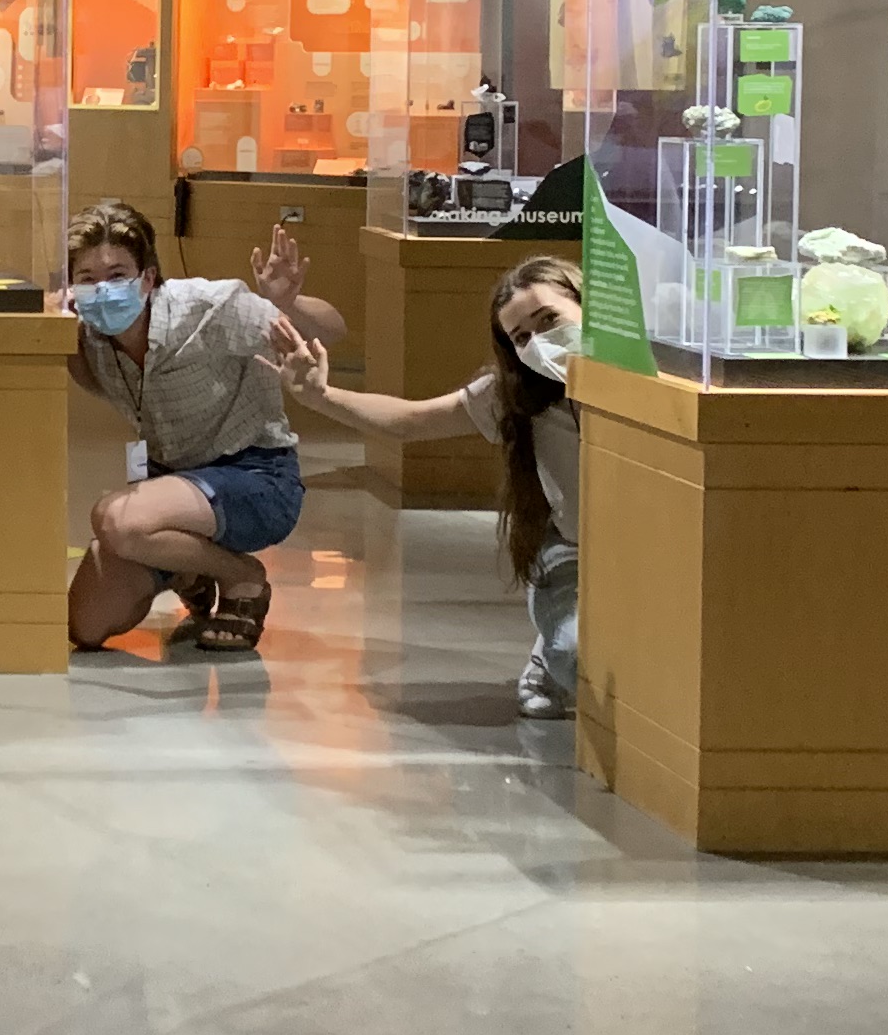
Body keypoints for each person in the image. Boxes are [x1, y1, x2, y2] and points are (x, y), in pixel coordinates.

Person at [280, 254, 584, 718]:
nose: (540, 342)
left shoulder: (659, 379)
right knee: (581, 657)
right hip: (575, 553)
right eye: (522, 337)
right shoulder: (514, 395)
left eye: (550, 320)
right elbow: (409, 421)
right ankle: (552, 649)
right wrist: (321, 396)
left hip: (654, 556)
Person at [58, 197, 347, 656]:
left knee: (117, 519)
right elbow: (82, 370)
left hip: (255, 478)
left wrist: (287, 302)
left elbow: (331, 330)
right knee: (86, 625)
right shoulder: (90, 338)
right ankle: (189, 569)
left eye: (117, 276)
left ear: (148, 277)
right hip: (169, 487)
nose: (103, 290)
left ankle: (240, 576)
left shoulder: (210, 309)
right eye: (87, 279)